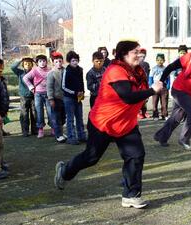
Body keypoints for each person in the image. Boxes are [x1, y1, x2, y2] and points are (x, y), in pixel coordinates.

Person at [54, 40, 163, 209]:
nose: (139, 54)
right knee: (91, 158)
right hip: (103, 123)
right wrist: (152, 90)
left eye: (139, 51)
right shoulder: (115, 70)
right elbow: (127, 96)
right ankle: (65, 171)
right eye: (135, 52)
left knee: (135, 155)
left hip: (126, 124)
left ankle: (131, 195)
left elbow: (138, 94)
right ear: (124, 54)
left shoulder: (138, 71)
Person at [23, 54, 52, 138]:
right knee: (39, 112)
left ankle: (53, 128)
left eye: (44, 61)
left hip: (48, 94)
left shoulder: (50, 70)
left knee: (50, 112)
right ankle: (40, 130)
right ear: (37, 63)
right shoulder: (34, 70)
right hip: (38, 94)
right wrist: (31, 87)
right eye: (40, 61)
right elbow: (25, 78)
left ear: (46, 61)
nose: (42, 63)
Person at [61, 50, 86, 145]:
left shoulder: (80, 70)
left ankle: (81, 136)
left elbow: (82, 82)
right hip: (69, 98)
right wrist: (75, 93)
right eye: (73, 61)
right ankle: (71, 137)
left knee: (80, 117)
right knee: (70, 119)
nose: (75, 62)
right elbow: (63, 87)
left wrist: (82, 92)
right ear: (69, 61)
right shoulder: (66, 71)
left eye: (76, 60)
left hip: (78, 98)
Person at [11, 56, 37, 137]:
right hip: (24, 96)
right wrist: (20, 60)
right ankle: (25, 131)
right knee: (24, 114)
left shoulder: (35, 72)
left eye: (29, 63)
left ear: (32, 65)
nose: (27, 65)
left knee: (34, 113)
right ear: (23, 65)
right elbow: (13, 67)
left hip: (33, 96)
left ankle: (34, 130)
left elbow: (41, 68)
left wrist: (35, 61)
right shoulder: (20, 73)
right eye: (25, 64)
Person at [47, 51, 67, 143]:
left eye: (60, 61)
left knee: (63, 117)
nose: (58, 63)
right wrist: (51, 99)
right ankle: (58, 135)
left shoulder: (66, 71)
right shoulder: (51, 73)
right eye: (56, 61)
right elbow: (49, 87)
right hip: (56, 98)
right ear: (53, 62)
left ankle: (61, 133)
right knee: (56, 117)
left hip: (65, 98)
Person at [149, 53, 170, 120]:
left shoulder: (166, 69)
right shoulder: (153, 69)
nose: (159, 61)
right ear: (156, 60)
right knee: (155, 102)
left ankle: (164, 115)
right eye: (158, 60)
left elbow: (168, 78)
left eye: (161, 60)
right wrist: (151, 85)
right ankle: (155, 115)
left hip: (163, 87)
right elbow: (150, 77)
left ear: (164, 60)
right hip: (155, 87)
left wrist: (168, 85)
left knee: (164, 102)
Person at [0, 59, 11, 136]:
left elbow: (5, 93)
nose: (1, 71)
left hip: (3, 104)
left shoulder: (2, 80)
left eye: (2, 69)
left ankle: (1, 130)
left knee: (2, 117)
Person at [137, 48, 151, 119]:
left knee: (145, 98)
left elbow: (148, 74)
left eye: (144, 56)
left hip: (144, 84)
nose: (142, 58)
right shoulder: (136, 64)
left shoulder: (146, 64)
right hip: (138, 84)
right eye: (141, 56)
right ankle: (138, 112)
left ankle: (144, 111)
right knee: (139, 99)